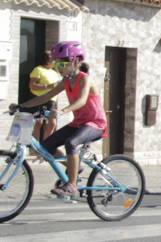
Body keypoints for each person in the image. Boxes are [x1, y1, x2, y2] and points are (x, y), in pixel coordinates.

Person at [11, 41, 106, 199]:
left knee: (71, 142)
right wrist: (21, 107)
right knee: (46, 146)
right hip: (79, 123)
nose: (58, 67)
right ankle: (73, 166)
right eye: (56, 63)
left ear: (75, 62)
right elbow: (46, 96)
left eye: (62, 64)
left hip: (95, 123)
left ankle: (72, 185)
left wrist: (63, 111)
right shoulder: (66, 81)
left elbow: (82, 100)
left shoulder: (85, 79)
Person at [28, 51, 61, 143]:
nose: (55, 60)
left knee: (52, 123)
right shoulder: (39, 69)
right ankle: (35, 147)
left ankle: (45, 146)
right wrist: (48, 86)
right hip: (39, 99)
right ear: (46, 59)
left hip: (51, 100)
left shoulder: (55, 72)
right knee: (38, 123)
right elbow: (32, 85)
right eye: (53, 58)